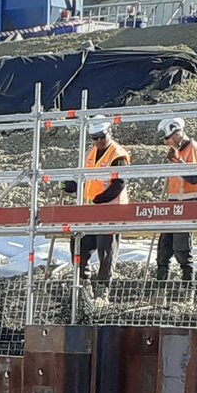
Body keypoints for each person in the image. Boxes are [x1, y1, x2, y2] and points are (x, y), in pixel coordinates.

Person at [70, 118, 130, 290]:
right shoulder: (91, 153)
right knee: (79, 244)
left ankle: (103, 289)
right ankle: (83, 283)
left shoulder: (118, 155)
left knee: (106, 251)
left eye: (101, 137)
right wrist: (72, 185)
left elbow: (119, 184)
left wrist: (99, 199)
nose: (98, 141)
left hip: (111, 210)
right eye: (94, 138)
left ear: (109, 133)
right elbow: (86, 179)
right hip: (91, 211)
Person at [152, 117, 197, 280]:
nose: (166, 142)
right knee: (164, 248)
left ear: (177, 133)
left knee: (182, 249)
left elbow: (194, 178)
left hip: (190, 202)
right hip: (175, 202)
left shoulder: (193, 148)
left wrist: (178, 160)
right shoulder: (176, 151)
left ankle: (188, 287)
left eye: (168, 138)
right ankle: (160, 287)